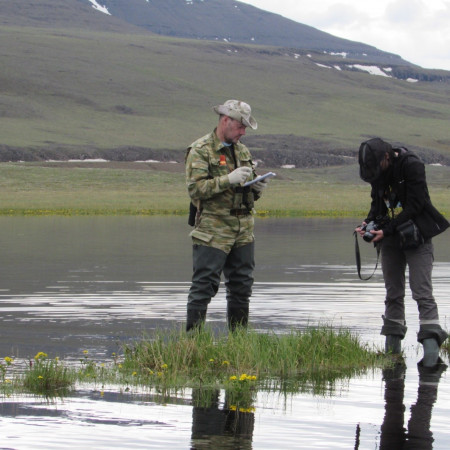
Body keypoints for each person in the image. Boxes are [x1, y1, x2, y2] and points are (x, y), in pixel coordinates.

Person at [355, 137, 449, 367]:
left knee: (422, 292)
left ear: (386, 157)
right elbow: (378, 205)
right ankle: (392, 356)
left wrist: (385, 230)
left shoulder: (412, 165)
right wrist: (368, 223)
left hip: (417, 238)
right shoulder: (376, 172)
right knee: (393, 294)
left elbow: (416, 205)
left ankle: (431, 359)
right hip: (389, 240)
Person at [185, 99, 269, 332]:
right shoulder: (201, 150)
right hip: (213, 229)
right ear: (225, 121)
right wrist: (227, 180)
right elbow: (195, 189)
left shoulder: (242, 150)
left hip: (243, 229)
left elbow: (245, 191)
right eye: (241, 126)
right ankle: (193, 344)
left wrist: (256, 189)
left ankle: (239, 343)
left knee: (242, 286)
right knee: (204, 286)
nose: (243, 132)